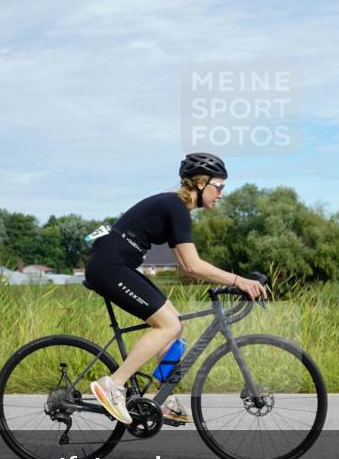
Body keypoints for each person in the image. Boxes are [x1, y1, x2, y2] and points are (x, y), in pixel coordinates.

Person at [85, 152, 267, 425]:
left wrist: (228, 282)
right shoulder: (176, 207)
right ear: (201, 183)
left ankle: (163, 398)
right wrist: (238, 280)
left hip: (116, 265)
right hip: (110, 267)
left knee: (175, 323)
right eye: (219, 186)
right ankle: (113, 385)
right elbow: (193, 266)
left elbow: (185, 265)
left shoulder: (176, 208)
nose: (221, 194)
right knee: (167, 325)